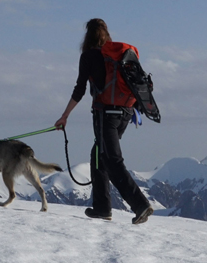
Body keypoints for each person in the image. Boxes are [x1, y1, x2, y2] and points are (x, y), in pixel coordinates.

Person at [54, 18, 153, 224]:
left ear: (87, 36)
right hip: (126, 113)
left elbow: (79, 89)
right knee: (98, 154)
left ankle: (140, 205)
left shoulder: (89, 56)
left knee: (111, 159)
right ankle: (101, 208)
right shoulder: (119, 56)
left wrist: (65, 116)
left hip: (105, 114)